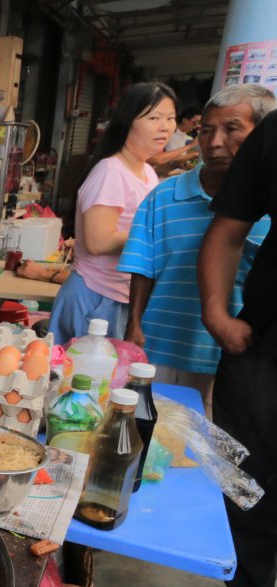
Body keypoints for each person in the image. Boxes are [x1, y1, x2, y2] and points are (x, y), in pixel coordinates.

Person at [194, 106, 277, 587]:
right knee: (241, 476)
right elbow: (228, 228)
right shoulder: (276, 137)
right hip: (265, 346)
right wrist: (219, 313)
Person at [119, 85, 275, 415]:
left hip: (231, 351)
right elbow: (143, 265)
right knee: (152, 432)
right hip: (161, 344)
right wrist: (133, 325)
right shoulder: (163, 197)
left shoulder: (268, 205)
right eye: (205, 130)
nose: (214, 142)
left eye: (232, 129)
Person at [49, 82, 177, 344]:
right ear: (128, 121)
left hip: (120, 296)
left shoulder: (146, 172)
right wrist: (156, 235)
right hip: (96, 297)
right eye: (154, 118)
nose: (165, 126)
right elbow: (98, 242)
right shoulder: (111, 172)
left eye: (170, 118)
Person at [148, 105, 201, 176]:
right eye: (194, 123)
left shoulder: (189, 138)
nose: (195, 126)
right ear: (184, 120)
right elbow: (162, 159)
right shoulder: (170, 135)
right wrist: (191, 151)